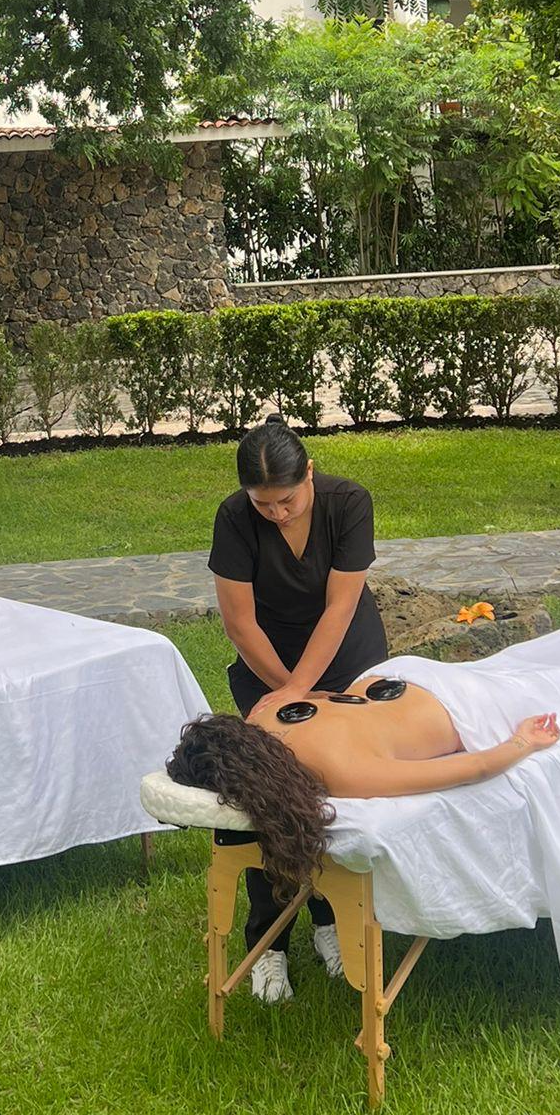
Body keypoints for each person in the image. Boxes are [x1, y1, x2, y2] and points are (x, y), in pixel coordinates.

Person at [208, 415, 388, 1002]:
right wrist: (289, 695)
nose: (278, 513)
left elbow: (340, 609)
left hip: (347, 660)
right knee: (268, 798)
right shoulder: (234, 519)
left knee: (346, 790)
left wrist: (305, 693)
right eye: (264, 504)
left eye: (287, 500)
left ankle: (332, 922)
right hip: (269, 669)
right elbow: (240, 622)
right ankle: (268, 944)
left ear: (309, 473)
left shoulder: (349, 503)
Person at [169, 677, 560, 912]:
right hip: (407, 675)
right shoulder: (264, 714)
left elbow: (474, 768)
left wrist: (524, 741)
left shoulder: (338, 769)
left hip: (472, 708)